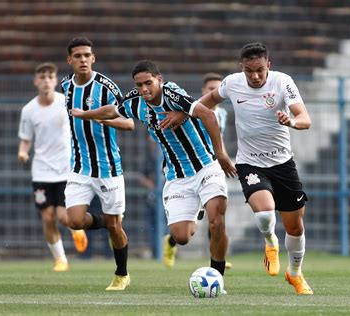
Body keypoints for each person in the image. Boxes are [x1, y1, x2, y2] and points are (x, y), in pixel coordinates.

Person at [71, 60, 236, 288]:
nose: (144, 89)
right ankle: (195, 208)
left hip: (206, 165)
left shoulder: (172, 94)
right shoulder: (135, 102)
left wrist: (221, 154)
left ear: (159, 79)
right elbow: (112, 110)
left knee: (217, 221)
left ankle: (217, 278)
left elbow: (207, 115)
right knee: (181, 237)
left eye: (148, 83)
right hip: (177, 175)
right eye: (139, 85)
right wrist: (84, 114)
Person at [178, 42, 313, 295]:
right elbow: (205, 103)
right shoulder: (232, 83)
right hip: (250, 162)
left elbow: (305, 119)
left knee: (295, 227)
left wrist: (291, 121)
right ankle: (270, 242)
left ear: (268, 66)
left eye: (260, 70)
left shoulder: (283, 82)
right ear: (242, 67)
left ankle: (295, 274)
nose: (255, 76)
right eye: (249, 70)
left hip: (283, 163)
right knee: (265, 213)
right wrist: (182, 114)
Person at [61, 37, 134, 291]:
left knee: (116, 228)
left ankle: (121, 274)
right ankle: (109, 220)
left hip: (108, 169)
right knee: (74, 220)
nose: (83, 60)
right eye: (78, 56)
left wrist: (103, 119)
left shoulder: (106, 87)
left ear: (94, 58)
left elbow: (130, 123)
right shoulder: (66, 87)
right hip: (79, 167)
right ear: (69, 60)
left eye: (87, 55)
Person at [17, 62, 88, 272]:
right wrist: (22, 152)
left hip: (66, 169)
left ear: (55, 80)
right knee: (47, 217)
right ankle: (61, 260)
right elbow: (26, 139)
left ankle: (76, 230)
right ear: (35, 81)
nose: (46, 81)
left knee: (63, 217)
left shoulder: (65, 102)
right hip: (41, 171)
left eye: (50, 77)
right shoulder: (28, 110)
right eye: (42, 77)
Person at [162, 72, 233, 269]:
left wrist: (223, 158)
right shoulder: (190, 108)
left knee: (216, 215)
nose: (215, 93)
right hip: (185, 170)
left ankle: (217, 261)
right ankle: (171, 241)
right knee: (183, 235)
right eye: (211, 90)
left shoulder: (222, 114)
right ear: (203, 92)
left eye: (218, 90)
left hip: (211, 166)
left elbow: (218, 138)